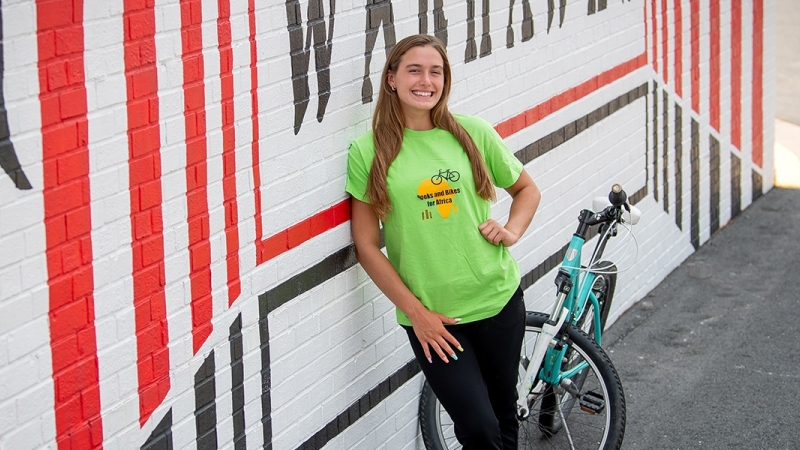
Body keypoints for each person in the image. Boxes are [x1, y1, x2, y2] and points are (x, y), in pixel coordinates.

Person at [345, 34, 541, 449]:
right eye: (414, 70)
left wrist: (512, 230)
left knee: (504, 415)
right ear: (392, 79)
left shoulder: (472, 132)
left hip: (497, 298)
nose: (426, 80)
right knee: (479, 427)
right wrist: (417, 314)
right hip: (433, 320)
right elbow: (366, 246)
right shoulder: (369, 151)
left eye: (436, 71)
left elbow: (527, 190)